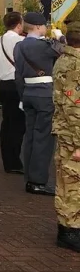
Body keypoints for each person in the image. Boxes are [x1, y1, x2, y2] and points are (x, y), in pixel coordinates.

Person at [15, 12, 64, 196]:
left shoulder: (19, 46)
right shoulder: (44, 46)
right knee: (43, 139)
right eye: (44, 25)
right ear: (37, 27)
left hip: (27, 93)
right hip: (44, 95)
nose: (46, 28)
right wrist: (60, 35)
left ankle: (30, 178)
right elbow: (69, 49)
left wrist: (23, 96)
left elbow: (18, 76)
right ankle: (38, 181)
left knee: (30, 137)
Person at [52, 21, 80, 252]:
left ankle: (67, 228)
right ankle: (70, 231)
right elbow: (74, 107)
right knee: (73, 184)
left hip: (67, 132)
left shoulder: (64, 60)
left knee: (67, 181)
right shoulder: (75, 65)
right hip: (74, 135)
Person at [0, 12, 25, 174]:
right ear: (19, 25)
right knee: (18, 125)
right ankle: (14, 161)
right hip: (16, 84)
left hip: (4, 85)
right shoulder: (21, 41)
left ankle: (8, 160)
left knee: (7, 123)